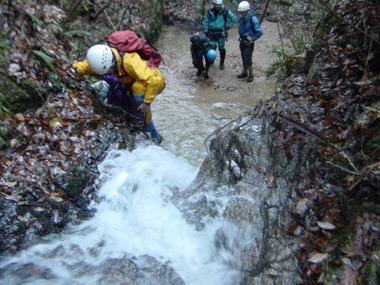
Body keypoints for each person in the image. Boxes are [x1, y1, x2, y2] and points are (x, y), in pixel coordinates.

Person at [68, 44, 165, 143]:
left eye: (106, 71)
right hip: (134, 82)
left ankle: (144, 124)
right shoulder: (108, 61)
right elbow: (88, 66)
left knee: (138, 88)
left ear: (111, 64)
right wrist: (76, 69)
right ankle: (153, 134)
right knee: (134, 93)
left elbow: (151, 81)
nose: (106, 74)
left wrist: (146, 103)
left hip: (155, 79)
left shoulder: (129, 62)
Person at [203, 0, 236, 70]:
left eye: (219, 5)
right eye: (217, 5)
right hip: (211, 33)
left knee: (222, 48)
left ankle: (222, 62)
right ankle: (211, 60)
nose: (218, 7)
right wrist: (206, 31)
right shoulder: (210, 11)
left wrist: (228, 27)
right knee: (212, 47)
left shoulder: (225, 11)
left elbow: (233, 18)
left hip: (221, 33)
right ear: (214, 4)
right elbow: (206, 21)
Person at [237, 1, 263, 82]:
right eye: (240, 12)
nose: (241, 13)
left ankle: (251, 75)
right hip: (242, 41)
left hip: (249, 43)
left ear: (247, 11)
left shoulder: (252, 18)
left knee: (248, 59)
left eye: (242, 12)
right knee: (243, 57)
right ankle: (244, 72)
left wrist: (252, 38)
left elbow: (259, 31)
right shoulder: (242, 18)